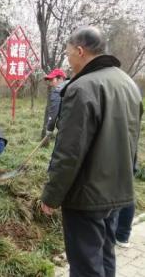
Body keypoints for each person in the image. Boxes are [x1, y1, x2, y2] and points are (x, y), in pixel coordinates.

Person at [40, 26, 143, 277]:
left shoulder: (81, 88)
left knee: (86, 264)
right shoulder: (128, 83)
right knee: (106, 254)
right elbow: (133, 137)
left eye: (68, 54)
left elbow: (69, 153)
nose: (69, 60)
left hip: (87, 195)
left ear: (80, 50)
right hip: (117, 189)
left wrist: (51, 196)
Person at [44, 68, 69, 137]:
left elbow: (53, 112)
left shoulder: (58, 91)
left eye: (52, 80)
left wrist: (49, 129)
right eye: (50, 80)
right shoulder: (75, 85)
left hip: (66, 130)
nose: (51, 83)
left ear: (60, 78)